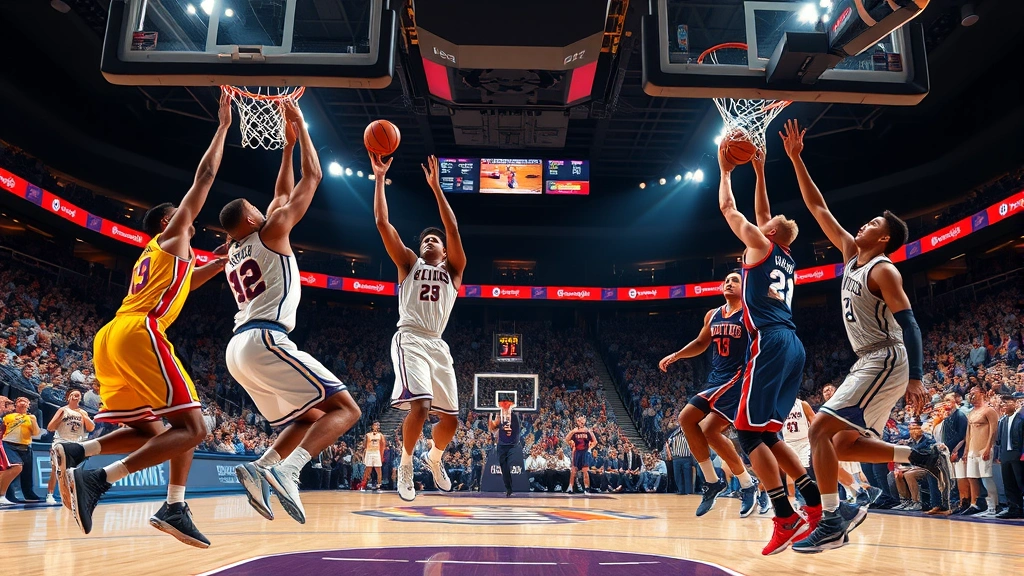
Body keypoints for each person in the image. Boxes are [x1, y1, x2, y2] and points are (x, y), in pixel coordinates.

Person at [55, 94, 232, 547]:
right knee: (194, 428)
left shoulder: (169, 258)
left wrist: (221, 262)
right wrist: (224, 126)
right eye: (180, 212)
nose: (187, 215)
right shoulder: (172, 236)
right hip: (139, 331)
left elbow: (190, 281)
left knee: (156, 432)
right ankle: (100, 478)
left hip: (112, 334)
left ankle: (84, 452)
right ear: (168, 222)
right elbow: (206, 176)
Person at [781, 119, 951, 552]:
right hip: (869, 360)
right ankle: (924, 457)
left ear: (886, 237)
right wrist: (798, 159)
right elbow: (819, 208)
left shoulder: (883, 269)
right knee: (839, 445)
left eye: (873, 222)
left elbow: (910, 323)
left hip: (887, 356)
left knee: (818, 429)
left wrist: (916, 374)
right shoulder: (850, 255)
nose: (863, 225)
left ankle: (833, 520)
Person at [218, 102, 361, 524]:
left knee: (308, 416)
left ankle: (262, 467)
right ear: (250, 217)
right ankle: (289, 470)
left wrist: (286, 148)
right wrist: (302, 126)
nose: (267, 208)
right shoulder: (271, 230)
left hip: (238, 348)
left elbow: (281, 195)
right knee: (347, 410)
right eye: (257, 210)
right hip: (265, 338)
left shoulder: (232, 249)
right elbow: (312, 178)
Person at [717, 134, 824, 556]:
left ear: (772, 232)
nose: (764, 220)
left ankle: (784, 515)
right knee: (768, 433)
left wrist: (726, 171)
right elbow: (763, 212)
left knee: (745, 432)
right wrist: (760, 171)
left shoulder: (760, 244)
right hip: (793, 343)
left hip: (771, 342)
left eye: (768, 222)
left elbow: (731, 209)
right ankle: (814, 503)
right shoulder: (784, 254)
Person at [373, 153, 466, 502]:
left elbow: (454, 229)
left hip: (437, 345)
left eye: (434, 240)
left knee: (452, 421)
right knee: (422, 406)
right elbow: (383, 223)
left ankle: (434, 457)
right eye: (425, 239)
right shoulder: (409, 262)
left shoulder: (453, 270)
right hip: (410, 337)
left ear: (444, 251)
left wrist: (437, 188)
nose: (428, 241)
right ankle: (407, 463)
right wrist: (380, 178)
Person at [660, 271, 759, 516]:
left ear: (744, 287)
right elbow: (701, 343)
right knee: (708, 432)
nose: (729, 283)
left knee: (685, 418)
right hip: (715, 378)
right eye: (726, 280)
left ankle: (713, 482)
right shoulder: (712, 314)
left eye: (735, 280)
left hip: (737, 378)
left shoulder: (750, 312)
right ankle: (747, 484)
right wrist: (677, 355)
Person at [46, 389, 94, 505]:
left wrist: (85, 417)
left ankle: (72, 496)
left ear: (81, 398)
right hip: (61, 441)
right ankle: (50, 495)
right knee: (56, 469)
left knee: (72, 471)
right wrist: (59, 417)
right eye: (73, 394)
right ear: (68, 397)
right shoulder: (62, 410)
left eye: (78, 395)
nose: (76, 396)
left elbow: (91, 428)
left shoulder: (83, 412)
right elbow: (50, 427)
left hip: (76, 443)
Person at [961, 386, 999, 516]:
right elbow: (968, 433)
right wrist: (966, 450)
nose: (971, 395)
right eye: (970, 393)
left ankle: (993, 506)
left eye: (974, 393)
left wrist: (989, 447)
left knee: (986, 477)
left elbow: (993, 430)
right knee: (972, 476)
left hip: (984, 447)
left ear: (982, 393)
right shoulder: (971, 412)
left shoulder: (989, 410)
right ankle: (976, 504)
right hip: (972, 448)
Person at [2, 396, 39, 503]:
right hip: (9, 445)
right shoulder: (8, 417)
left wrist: (34, 421)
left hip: (26, 446)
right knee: (13, 469)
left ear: (28, 405)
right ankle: (8, 495)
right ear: (15, 405)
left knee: (27, 473)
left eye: (25, 401)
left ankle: (28, 494)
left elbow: (36, 433)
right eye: (20, 401)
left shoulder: (31, 417)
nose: (22, 403)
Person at [995, 395, 1023, 519]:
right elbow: (999, 440)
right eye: (1002, 403)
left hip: (1018, 454)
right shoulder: (1002, 420)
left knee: (1021, 482)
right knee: (1008, 483)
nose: (1004, 405)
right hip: (1005, 454)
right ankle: (1014, 508)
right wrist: (999, 455)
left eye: (1007, 402)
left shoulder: (1021, 418)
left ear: (1015, 403)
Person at [488, 399, 522, 496]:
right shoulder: (500, 417)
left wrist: (511, 408)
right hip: (502, 445)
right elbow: (492, 427)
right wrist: (490, 415)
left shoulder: (514, 416)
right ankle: (508, 488)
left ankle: (517, 485)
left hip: (513, 445)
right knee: (504, 467)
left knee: (514, 464)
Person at [565, 415, 597, 495]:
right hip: (577, 452)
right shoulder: (574, 431)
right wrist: (571, 443)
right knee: (573, 470)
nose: (580, 422)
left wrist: (590, 448)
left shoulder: (587, 431)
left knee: (585, 471)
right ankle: (570, 487)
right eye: (579, 420)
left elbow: (595, 442)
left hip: (585, 452)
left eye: (582, 420)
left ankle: (586, 489)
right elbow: (566, 439)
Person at [362, 422, 385, 491]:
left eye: (378, 425)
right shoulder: (368, 435)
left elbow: (382, 445)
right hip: (369, 452)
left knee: (378, 469)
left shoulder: (381, 435)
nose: (377, 426)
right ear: (372, 426)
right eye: (376, 425)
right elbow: (364, 445)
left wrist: (381, 455)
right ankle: (364, 484)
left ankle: (379, 484)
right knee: (368, 469)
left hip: (376, 452)